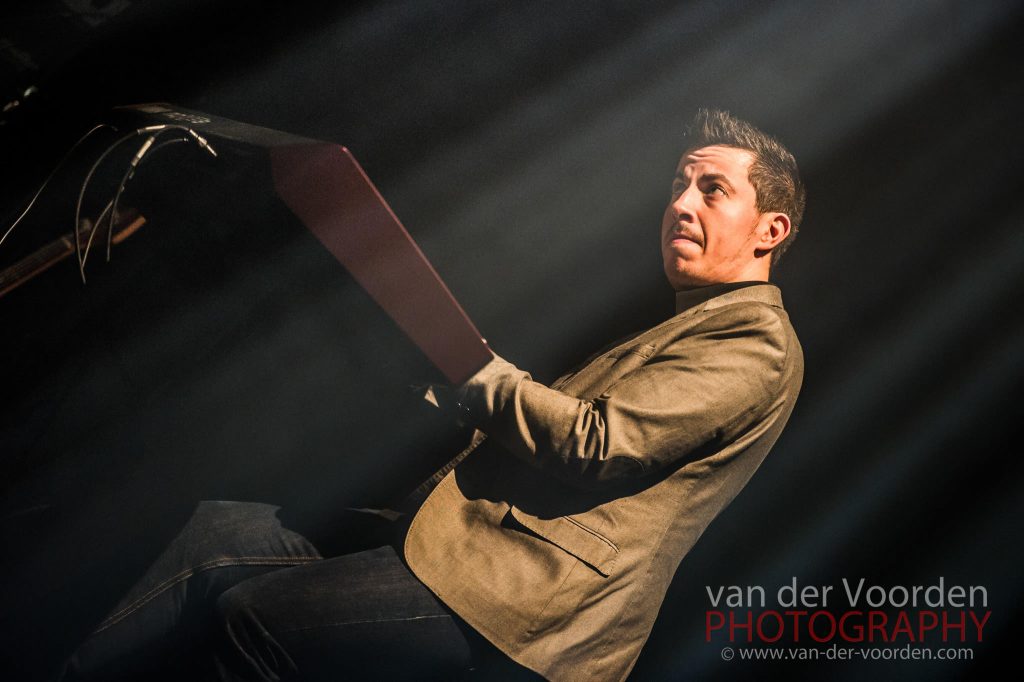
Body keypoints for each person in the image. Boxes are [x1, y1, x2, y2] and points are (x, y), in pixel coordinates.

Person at [60, 108, 805, 681]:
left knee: (257, 619)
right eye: (678, 185)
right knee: (219, 538)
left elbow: (597, 443)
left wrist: (471, 369)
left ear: (770, 228)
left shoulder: (757, 342)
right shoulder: (692, 325)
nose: (681, 203)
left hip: (522, 602)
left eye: (711, 189)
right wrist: (439, 390)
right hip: (455, 545)